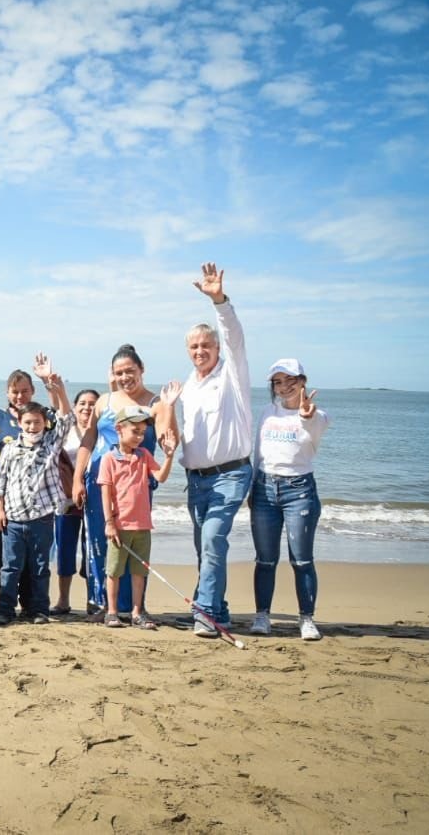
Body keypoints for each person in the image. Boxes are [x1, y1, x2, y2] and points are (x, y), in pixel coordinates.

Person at [71, 346, 178, 620]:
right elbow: (88, 441)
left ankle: (135, 608)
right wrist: (77, 479)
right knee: (98, 542)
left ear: (141, 370)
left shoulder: (154, 402)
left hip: (136, 485)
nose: (125, 377)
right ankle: (103, 606)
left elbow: (168, 435)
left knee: (133, 543)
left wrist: (170, 406)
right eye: (119, 372)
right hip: (100, 482)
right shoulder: (104, 401)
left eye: (130, 371)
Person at [177, 262, 253, 638]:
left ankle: (204, 613)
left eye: (206, 345)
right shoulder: (188, 386)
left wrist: (219, 301)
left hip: (231, 474)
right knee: (205, 549)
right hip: (197, 481)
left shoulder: (232, 374)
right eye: (194, 346)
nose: (200, 351)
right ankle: (219, 609)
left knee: (211, 540)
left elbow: (234, 336)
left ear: (217, 348)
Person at [250, 360, 330, 642]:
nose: (284, 387)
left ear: (302, 380)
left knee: (302, 560)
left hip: (300, 491)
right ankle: (262, 615)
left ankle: (306, 619)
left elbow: (315, 434)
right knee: (265, 560)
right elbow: (258, 453)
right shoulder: (266, 413)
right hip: (264, 489)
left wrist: (307, 415)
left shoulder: (317, 415)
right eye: (278, 382)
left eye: (289, 380)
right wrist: (252, 488)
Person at [0, 359, 72, 626]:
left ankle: (39, 610)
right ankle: (4, 609)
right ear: (20, 422)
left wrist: (55, 385)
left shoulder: (50, 445)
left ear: (42, 423)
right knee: (10, 567)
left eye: (36, 422)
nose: (32, 427)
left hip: (42, 518)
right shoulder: (11, 448)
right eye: (27, 422)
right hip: (13, 519)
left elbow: (66, 417)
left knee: (40, 568)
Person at [97, 405, 178, 631]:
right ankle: (111, 612)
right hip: (119, 526)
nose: (139, 437)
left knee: (139, 572)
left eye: (142, 433)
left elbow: (160, 476)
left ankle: (136, 612)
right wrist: (109, 523)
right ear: (119, 429)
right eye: (135, 431)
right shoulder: (109, 459)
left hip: (142, 525)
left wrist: (170, 455)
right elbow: (106, 494)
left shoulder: (144, 455)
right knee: (113, 571)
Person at [0, 367, 40, 617]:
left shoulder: (40, 416)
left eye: (25, 391)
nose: (20, 396)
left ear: (33, 391)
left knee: (35, 557)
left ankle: (30, 604)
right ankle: (5, 605)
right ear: (7, 392)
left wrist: (52, 384)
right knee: (7, 554)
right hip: (4, 498)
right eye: (15, 391)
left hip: (36, 500)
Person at [52, 389, 98, 614]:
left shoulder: (103, 431)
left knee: (91, 551)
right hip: (66, 499)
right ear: (75, 406)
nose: (87, 408)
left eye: (92, 404)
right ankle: (63, 600)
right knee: (65, 550)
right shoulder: (66, 430)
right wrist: (55, 385)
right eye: (82, 403)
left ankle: (93, 599)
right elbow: (57, 409)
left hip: (94, 500)